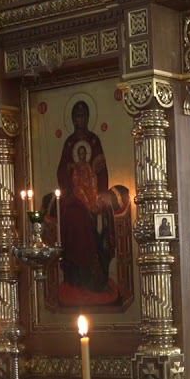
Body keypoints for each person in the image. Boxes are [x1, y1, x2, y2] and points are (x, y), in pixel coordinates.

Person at [56, 101, 120, 303]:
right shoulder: (69, 143)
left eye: (83, 116)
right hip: (74, 197)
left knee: (88, 218)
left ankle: (93, 276)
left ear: (88, 118)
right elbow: (61, 171)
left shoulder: (93, 140)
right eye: (76, 116)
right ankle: (75, 276)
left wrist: (98, 195)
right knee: (73, 216)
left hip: (92, 196)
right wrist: (69, 175)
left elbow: (101, 171)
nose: (79, 120)